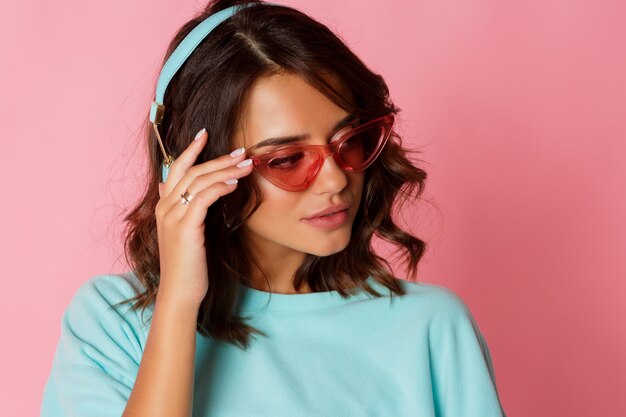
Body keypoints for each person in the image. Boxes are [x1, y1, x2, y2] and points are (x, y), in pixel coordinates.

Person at [40, 1, 507, 416]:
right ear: (192, 170)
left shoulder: (432, 329)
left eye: (349, 140)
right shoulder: (110, 322)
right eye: (286, 159)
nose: (337, 179)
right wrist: (178, 304)